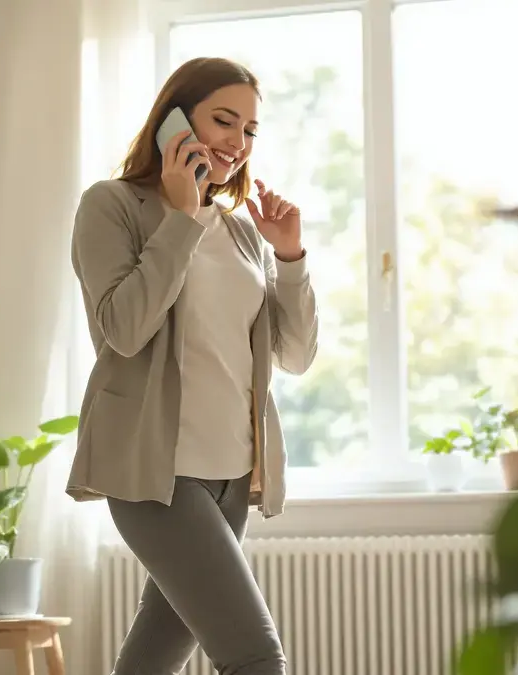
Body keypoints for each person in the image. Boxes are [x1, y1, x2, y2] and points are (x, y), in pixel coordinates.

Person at [66, 56, 320, 675]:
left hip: (232, 473)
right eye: (223, 121)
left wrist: (289, 259)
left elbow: (295, 354)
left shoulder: (241, 234)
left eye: (250, 130)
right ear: (174, 120)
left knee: (154, 655)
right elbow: (123, 330)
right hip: (155, 472)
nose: (237, 142)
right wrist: (180, 217)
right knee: (256, 656)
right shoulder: (112, 205)